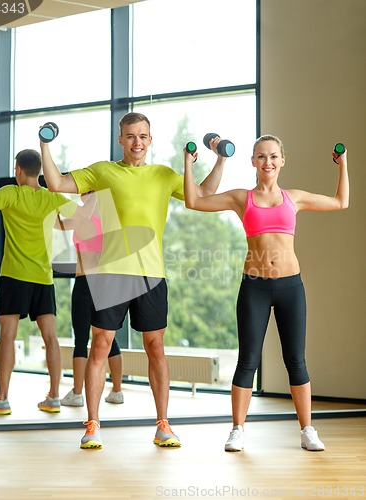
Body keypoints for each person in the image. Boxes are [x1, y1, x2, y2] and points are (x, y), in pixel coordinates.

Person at [40, 111, 227, 449]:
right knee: (100, 346)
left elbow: (202, 197)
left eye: (142, 136)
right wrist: (45, 145)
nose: (137, 142)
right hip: (111, 273)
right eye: (130, 136)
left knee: (156, 348)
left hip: (152, 274)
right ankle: (93, 424)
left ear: (150, 139)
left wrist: (219, 160)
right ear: (120, 139)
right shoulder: (102, 171)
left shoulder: (164, 175)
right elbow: (57, 184)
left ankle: (163, 424)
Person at [183, 134, 349, 452]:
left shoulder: (294, 198)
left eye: (273, 156)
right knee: (247, 361)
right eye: (261, 156)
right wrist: (188, 166)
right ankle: (237, 430)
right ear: (252, 161)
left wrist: (344, 165)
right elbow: (194, 201)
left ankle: (307, 430)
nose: (267, 162)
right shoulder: (239, 197)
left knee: (296, 361)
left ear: (282, 160)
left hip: (290, 287)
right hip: (255, 287)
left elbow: (341, 202)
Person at [0, 149, 74, 415]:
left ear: (18, 171)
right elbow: (74, 221)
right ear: (38, 171)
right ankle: (55, 397)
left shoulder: (11, 193)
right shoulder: (51, 197)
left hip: (14, 276)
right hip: (43, 278)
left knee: (8, 336)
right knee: (51, 337)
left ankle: (2, 399)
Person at [56, 191, 124, 407]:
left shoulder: (82, 218)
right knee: (107, 338)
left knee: (81, 339)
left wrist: (54, 203)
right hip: (105, 282)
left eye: (86, 192)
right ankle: (117, 390)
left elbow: (60, 225)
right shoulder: (107, 219)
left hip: (86, 281)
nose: (82, 195)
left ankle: (77, 393)